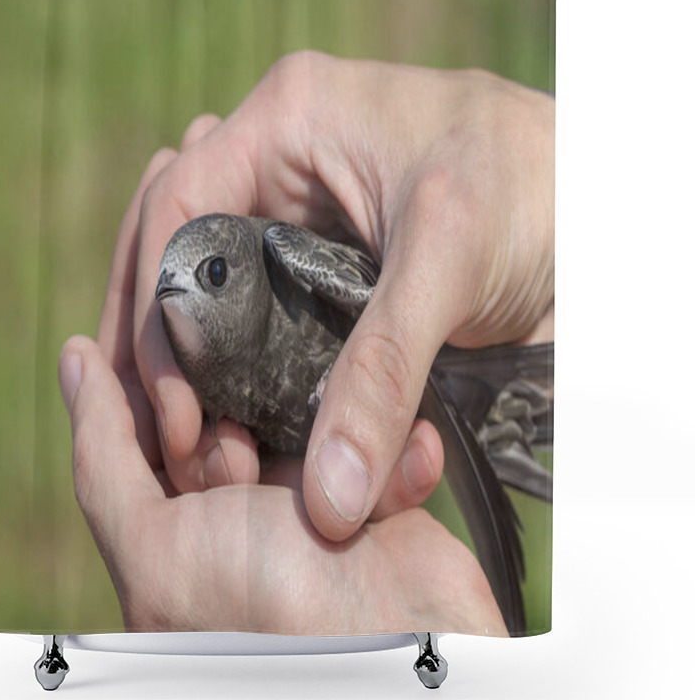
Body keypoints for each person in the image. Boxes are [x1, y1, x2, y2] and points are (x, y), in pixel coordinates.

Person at [58, 52, 554, 634]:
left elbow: (395, 323)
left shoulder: (284, 255)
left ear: (242, 269)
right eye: (172, 283)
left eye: (212, 274)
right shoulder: (203, 367)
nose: (172, 290)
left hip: (445, 374)